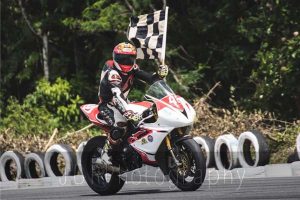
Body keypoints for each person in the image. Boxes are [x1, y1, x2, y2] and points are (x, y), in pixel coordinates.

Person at [97, 42, 168, 145]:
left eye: (129, 59)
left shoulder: (133, 68)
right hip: (107, 104)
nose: (126, 62)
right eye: (122, 59)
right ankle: (109, 151)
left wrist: (159, 75)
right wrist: (127, 112)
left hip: (125, 102)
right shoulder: (112, 73)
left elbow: (149, 78)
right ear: (115, 58)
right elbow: (117, 95)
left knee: (148, 114)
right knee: (121, 125)